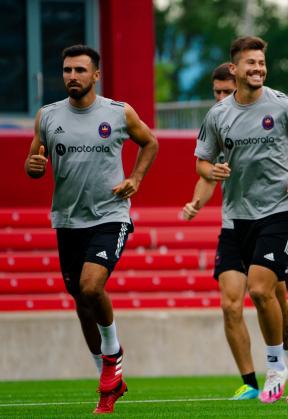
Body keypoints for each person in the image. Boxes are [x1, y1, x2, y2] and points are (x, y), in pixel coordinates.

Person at [194, 36, 288, 404]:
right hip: (236, 217)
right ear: (234, 69)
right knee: (248, 298)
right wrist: (213, 171)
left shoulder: (283, 105)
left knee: (259, 289)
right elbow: (201, 162)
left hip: (282, 210)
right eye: (249, 63)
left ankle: (275, 367)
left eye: (261, 63)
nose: (257, 69)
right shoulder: (218, 116)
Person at [24, 44, 158, 414]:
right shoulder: (48, 117)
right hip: (67, 220)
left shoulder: (118, 113)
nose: (72, 76)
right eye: (67, 70)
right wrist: (33, 167)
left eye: (80, 70)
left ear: (95, 75)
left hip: (110, 215)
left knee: (90, 285)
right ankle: (107, 378)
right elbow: (34, 161)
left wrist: (135, 178)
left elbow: (150, 142)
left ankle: (113, 354)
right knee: (82, 303)